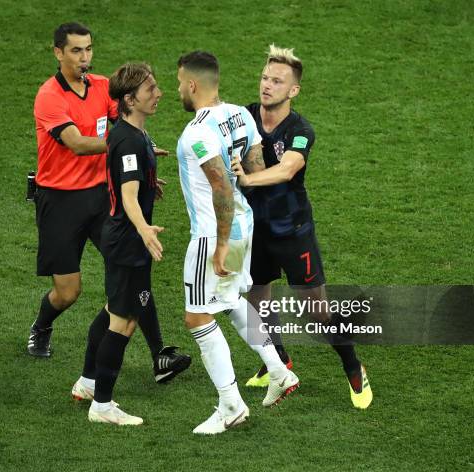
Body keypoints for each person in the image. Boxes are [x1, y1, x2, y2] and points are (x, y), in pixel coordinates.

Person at [30, 22, 190, 387]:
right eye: (75, 51)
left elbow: (130, 125)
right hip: (60, 201)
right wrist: (129, 149)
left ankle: (159, 355)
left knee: (135, 274)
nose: (84, 57)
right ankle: (42, 326)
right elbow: (79, 143)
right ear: (58, 53)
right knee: (69, 291)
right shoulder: (49, 97)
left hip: (102, 196)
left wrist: (141, 168)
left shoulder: (103, 87)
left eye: (88, 49)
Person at [231, 44, 372, 409]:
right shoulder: (244, 116)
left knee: (316, 313)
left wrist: (247, 180)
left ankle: (354, 367)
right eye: (265, 77)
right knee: (258, 301)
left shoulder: (300, 130)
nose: (267, 86)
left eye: (277, 81)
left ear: (293, 90)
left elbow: (289, 168)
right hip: (255, 230)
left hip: (292, 232)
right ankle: (278, 362)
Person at [176, 51, 300, 435]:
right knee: (230, 303)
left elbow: (220, 190)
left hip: (216, 232)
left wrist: (219, 246)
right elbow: (257, 169)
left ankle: (230, 404)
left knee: (198, 316)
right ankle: (279, 371)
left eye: (180, 82)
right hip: (244, 225)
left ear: (192, 84)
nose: (178, 89)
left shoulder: (196, 133)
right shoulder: (241, 114)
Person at [82, 62, 165, 425]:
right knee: (124, 321)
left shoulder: (133, 132)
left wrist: (151, 179)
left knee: (114, 310)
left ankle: (87, 382)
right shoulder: (129, 139)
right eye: (150, 90)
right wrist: (145, 230)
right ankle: (102, 405)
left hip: (124, 239)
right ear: (129, 99)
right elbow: (128, 196)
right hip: (127, 241)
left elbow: (130, 178)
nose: (158, 93)